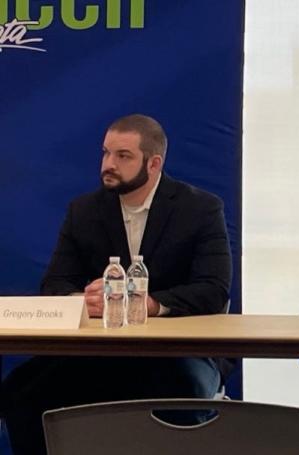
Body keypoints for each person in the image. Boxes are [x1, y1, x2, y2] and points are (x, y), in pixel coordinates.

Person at [0, 114, 232, 455]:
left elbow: (213, 289)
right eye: (106, 153)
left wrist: (148, 303)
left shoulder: (200, 208)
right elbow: (54, 285)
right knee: (21, 392)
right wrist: (83, 299)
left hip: (176, 351)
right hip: (99, 351)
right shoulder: (83, 211)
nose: (109, 164)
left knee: (182, 394)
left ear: (154, 164)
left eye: (123, 156)